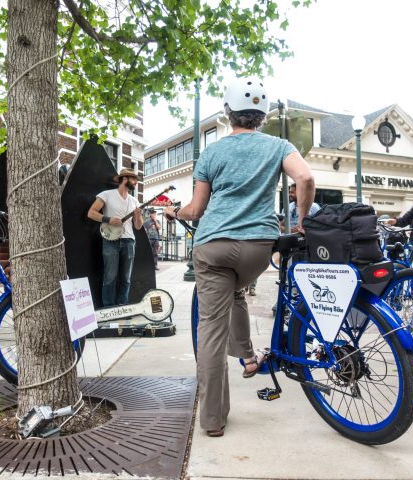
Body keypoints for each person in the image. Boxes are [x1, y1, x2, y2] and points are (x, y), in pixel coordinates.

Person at [165, 76, 315, 438]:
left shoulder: (213, 152)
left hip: (213, 245)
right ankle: (248, 355)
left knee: (211, 333)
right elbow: (306, 179)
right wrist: (300, 222)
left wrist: (177, 213)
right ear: (262, 116)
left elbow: (197, 208)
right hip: (257, 248)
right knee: (235, 291)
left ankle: (213, 420)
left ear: (228, 113)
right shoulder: (279, 145)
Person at [88, 168, 144, 307]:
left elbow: (138, 226)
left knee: (126, 278)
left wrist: (138, 217)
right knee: (110, 278)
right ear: (124, 179)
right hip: (110, 240)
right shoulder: (106, 195)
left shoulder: (134, 201)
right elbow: (91, 213)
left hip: (129, 241)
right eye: (134, 179)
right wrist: (107, 219)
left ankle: (122, 307)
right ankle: (108, 309)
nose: (136, 182)